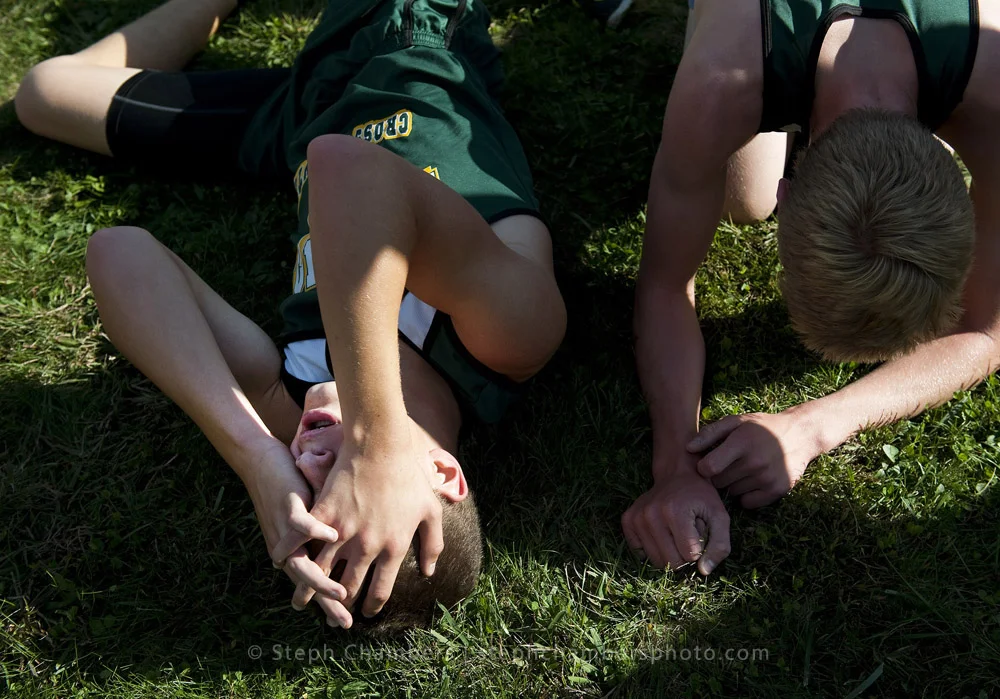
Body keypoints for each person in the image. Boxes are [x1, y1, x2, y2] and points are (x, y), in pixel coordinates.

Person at [14, 0, 566, 631]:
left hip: (297, 121)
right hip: (408, 45)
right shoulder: (506, 342)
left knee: (45, 94)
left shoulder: (304, 405)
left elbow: (120, 253)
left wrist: (254, 456)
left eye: (311, 491)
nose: (308, 459)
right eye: (344, 476)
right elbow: (344, 167)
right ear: (444, 470)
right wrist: (373, 436)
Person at [625, 0, 999, 574]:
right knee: (741, 200)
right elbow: (663, 287)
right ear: (789, 195)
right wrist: (674, 465)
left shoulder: (994, 87)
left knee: (740, 185)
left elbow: (988, 329)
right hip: (746, 30)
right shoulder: (722, 79)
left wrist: (815, 424)